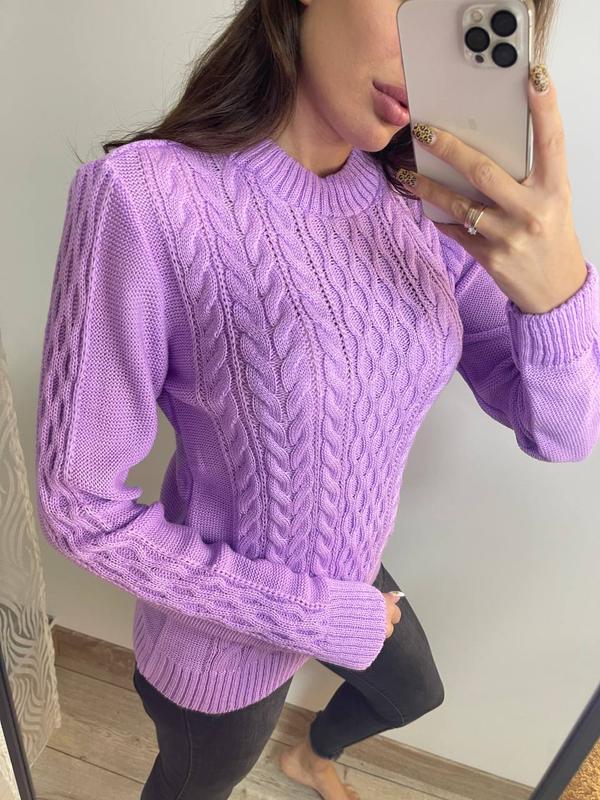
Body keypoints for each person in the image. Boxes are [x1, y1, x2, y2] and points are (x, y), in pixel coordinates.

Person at [36, 1, 597, 799]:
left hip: (354, 576)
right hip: (224, 650)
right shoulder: (144, 197)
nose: (430, 44)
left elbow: (562, 433)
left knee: (412, 692)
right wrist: (320, 617)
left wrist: (557, 290)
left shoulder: (425, 205)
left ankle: (310, 756)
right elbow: (78, 509)